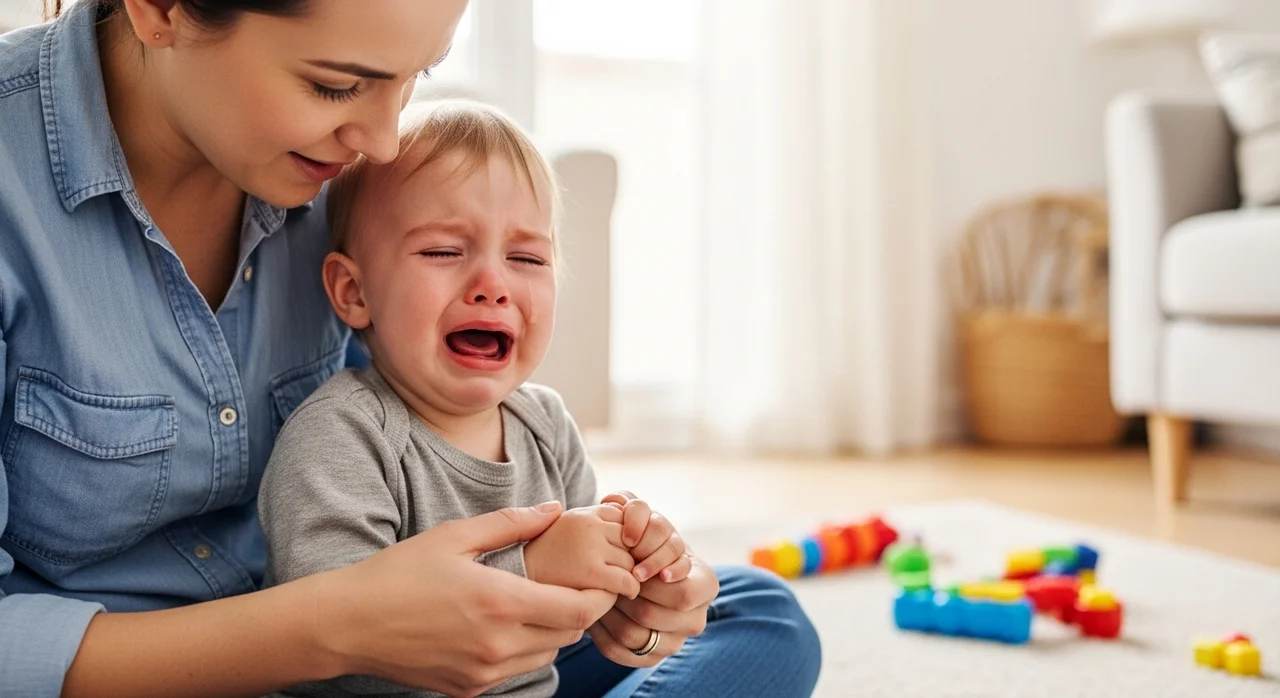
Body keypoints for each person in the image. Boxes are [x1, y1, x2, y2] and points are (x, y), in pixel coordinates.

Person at [0, 1, 822, 697]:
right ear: (161, 8)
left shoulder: (348, 179)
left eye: (416, 78)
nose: (385, 141)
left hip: (408, 640)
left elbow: (424, 449)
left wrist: (628, 604)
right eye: (337, 84)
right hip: (162, 673)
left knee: (752, 612)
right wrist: (342, 626)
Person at [258, 99, 699, 697]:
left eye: (526, 258)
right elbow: (339, 655)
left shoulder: (544, 421)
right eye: (443, 251)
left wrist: (643, 580)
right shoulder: (339, 437)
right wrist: (533, 569)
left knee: (762, 614)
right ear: (354, 291)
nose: (493, 286)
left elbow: (587, 614)